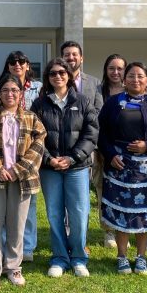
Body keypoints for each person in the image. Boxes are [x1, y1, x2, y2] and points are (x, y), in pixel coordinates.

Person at [0, 74, 46, 289]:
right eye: (5, 90)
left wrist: (18, 170)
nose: (10, 94)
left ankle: (14, 267)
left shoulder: (31, 118)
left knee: (17, 225)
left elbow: (39, 144)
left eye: (14, 90)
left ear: (21, 93)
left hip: (21, 180)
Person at [97, 62, 147, 275]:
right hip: (119, 166)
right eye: (131, 75)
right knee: (122, 211)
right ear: (124, 79)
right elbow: (101, 133)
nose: (135, 80)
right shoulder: (113, 103)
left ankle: (141, 257)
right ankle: (121, 256)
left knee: (143, 214)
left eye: (140, 76)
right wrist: (110, 154)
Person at [31, 58, 99, 278]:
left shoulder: (83, 101)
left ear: (69, 75)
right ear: (47, 77)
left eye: (62, 72)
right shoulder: (39, 104)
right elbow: (34, 136)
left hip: (77, 167)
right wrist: (49, 159)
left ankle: (79, 257)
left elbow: (91, 134)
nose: (58, 76)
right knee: (54, 213)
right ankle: (60, 257)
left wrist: (72, 158)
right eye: (53, 73)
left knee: (79, 213)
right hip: (50, 169)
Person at [0, 50, 43, 261]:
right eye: (12, 62)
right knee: (1, 208)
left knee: (28, 206)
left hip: (27, 154)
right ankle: (3, 247)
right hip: (2, 155)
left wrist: (26, 163)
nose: (17, 64)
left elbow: (40, 124)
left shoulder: (38, 88)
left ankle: (26, 247)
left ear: (27, 65)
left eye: (21, 61)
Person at [95, 54, 127, 249]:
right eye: (111, 68)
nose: (115, 72)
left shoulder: (131, 90)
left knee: (124, 190)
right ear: (106, 70)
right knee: (103, 189)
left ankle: (124, 228)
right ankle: (108, 231)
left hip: (126, 150)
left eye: (119, 68)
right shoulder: (97, 90)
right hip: (101, 148)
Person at [61, 40, 103, 111]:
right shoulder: (56, 81)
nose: (71, 57)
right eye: (67, 55)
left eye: (74, 54)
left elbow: (99, 109)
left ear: (81, 59)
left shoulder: (95, 83)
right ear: (62, 59)